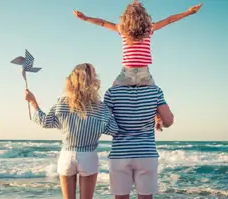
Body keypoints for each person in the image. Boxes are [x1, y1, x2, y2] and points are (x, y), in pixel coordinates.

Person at [24, 63, 119, 199]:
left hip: (67, 156)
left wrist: (33, 103)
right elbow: (114, 130)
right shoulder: (101, 108)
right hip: (89, 157)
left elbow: (45, 122)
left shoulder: (63, 102)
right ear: (93, 81)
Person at [73, 0, 200, 131]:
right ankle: (157, 119)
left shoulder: (122, 29)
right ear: (144, 16)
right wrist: (188, 12)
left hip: (127, 73)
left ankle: (104, 122)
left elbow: (102, 22)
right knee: (156, 97)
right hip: (144, 73)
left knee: (112, 94)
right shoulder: (149, 28)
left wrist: (85, 18)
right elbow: (169, 20)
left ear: (125, 18)